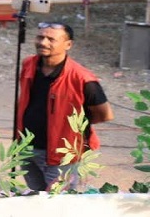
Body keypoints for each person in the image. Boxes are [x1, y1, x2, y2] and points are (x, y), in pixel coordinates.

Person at [17, 23, 113, 191]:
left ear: (68, 44)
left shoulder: (82, 78)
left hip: (63, 155)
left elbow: (104, 114)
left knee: (59, 201)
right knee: (36, 197)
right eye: (40, 37)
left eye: (51, 39)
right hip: (27, 147)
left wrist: (69, 127)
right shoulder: (29, 64)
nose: (43, 42)